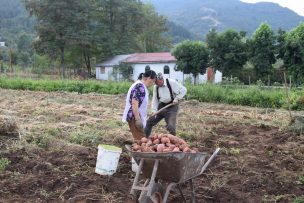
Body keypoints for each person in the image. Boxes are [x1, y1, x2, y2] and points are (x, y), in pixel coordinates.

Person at [145, 73, 187, 137]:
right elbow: (155, 100)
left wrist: (177, 99)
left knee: (171, 126)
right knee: (149, 121)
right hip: (162, 105)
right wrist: (154, 111)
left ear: (162, 80)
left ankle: (172, 143)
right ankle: (144, 138)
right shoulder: (156, 87)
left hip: (172, 106)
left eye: (158, 82)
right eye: (155, 83)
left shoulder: (171, 82)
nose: (157, 84)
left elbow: (184, 90)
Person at [122, 70, 157, 140]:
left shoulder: (141, 86)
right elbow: (134, 103)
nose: (152, 84)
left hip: (136, 116)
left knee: (140, 138)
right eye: (152, 81)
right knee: (141, 140)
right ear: (148, 78)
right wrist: (138, 119)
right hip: (134, 117)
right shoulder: (140, 87)